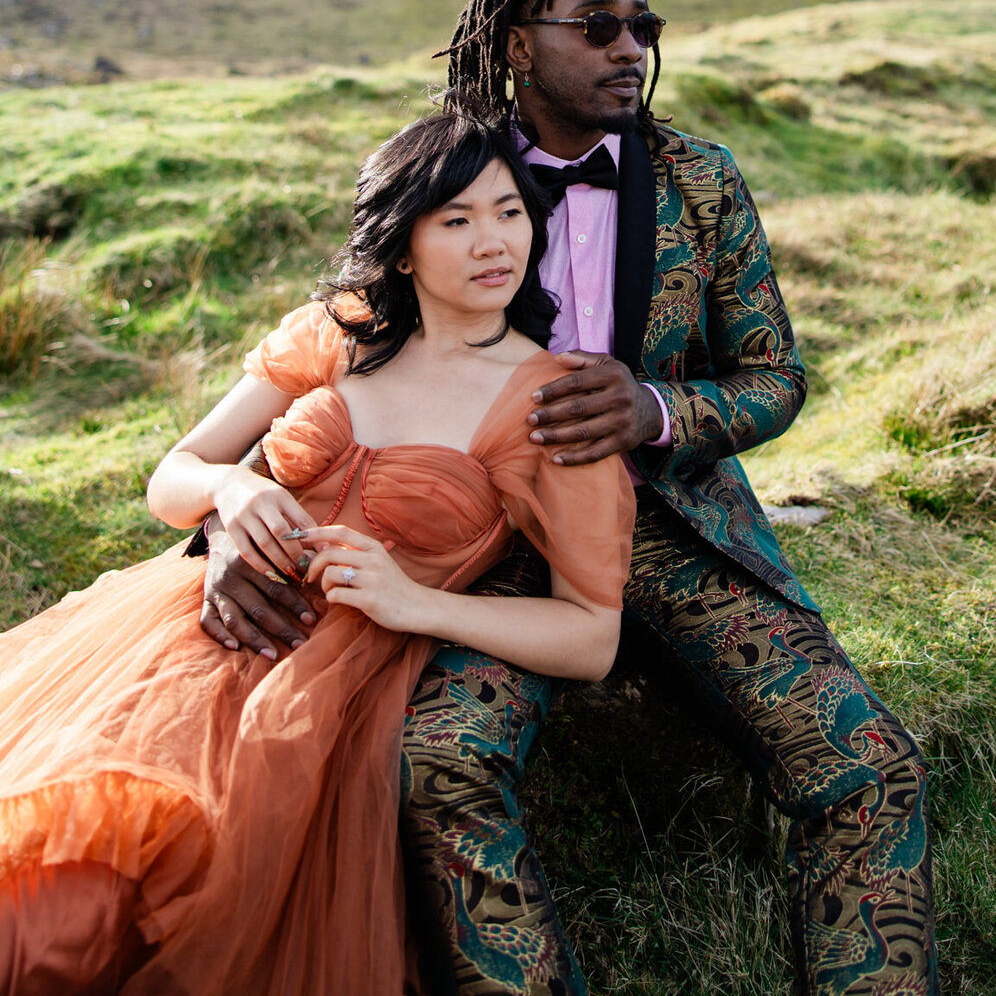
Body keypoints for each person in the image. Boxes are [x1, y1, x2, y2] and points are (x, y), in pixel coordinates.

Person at [200, 0, 938, 996]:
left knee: (873, 767)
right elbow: (344, 363)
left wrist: (655, 409)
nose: (629, 46)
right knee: (441, 760)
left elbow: (776, 376)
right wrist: (226, 514)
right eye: (598, 26)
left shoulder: (703, 178)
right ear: (515, 43)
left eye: (643, 25)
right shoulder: (456, 174)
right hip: (486, 553)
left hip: (677, 536)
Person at [0, 112, 634, 996]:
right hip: (185, 635)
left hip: (333, 687)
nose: (493, 243)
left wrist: (418, 606)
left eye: (509, 213)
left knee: (121, 921)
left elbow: (592, 634)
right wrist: (231, 491)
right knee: (43, 878)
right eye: (456, 220)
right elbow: (172, 476)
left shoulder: (551, 405)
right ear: (403, 246)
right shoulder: (337, 333)